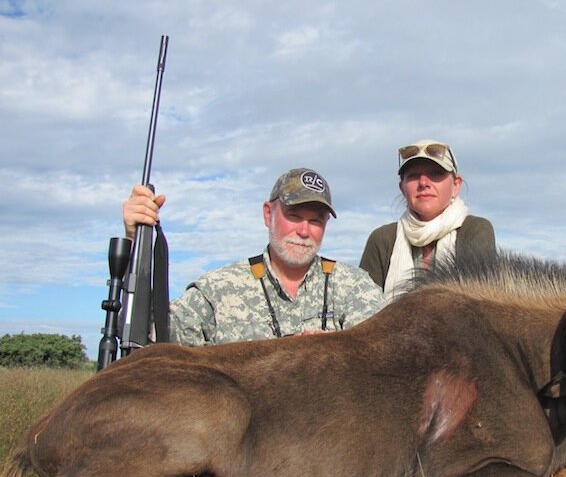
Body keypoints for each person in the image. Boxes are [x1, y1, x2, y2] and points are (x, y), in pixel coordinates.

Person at [123, 168, 386, 345]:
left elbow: (386, 353)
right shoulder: (219, 290)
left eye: (316, 221)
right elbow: (154, 336)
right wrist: (135, 241)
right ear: (268, 215)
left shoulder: (355, 287)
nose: (304, 231)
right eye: (293, 216)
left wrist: (331, 351)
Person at [359, 139, 496, 298]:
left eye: (436, 174)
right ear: (402, 188)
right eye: (413, 176)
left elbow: (478, 303)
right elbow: (364, 309)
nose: (423, 183)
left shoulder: (475, 229)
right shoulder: (382, 239)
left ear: (456, 185)